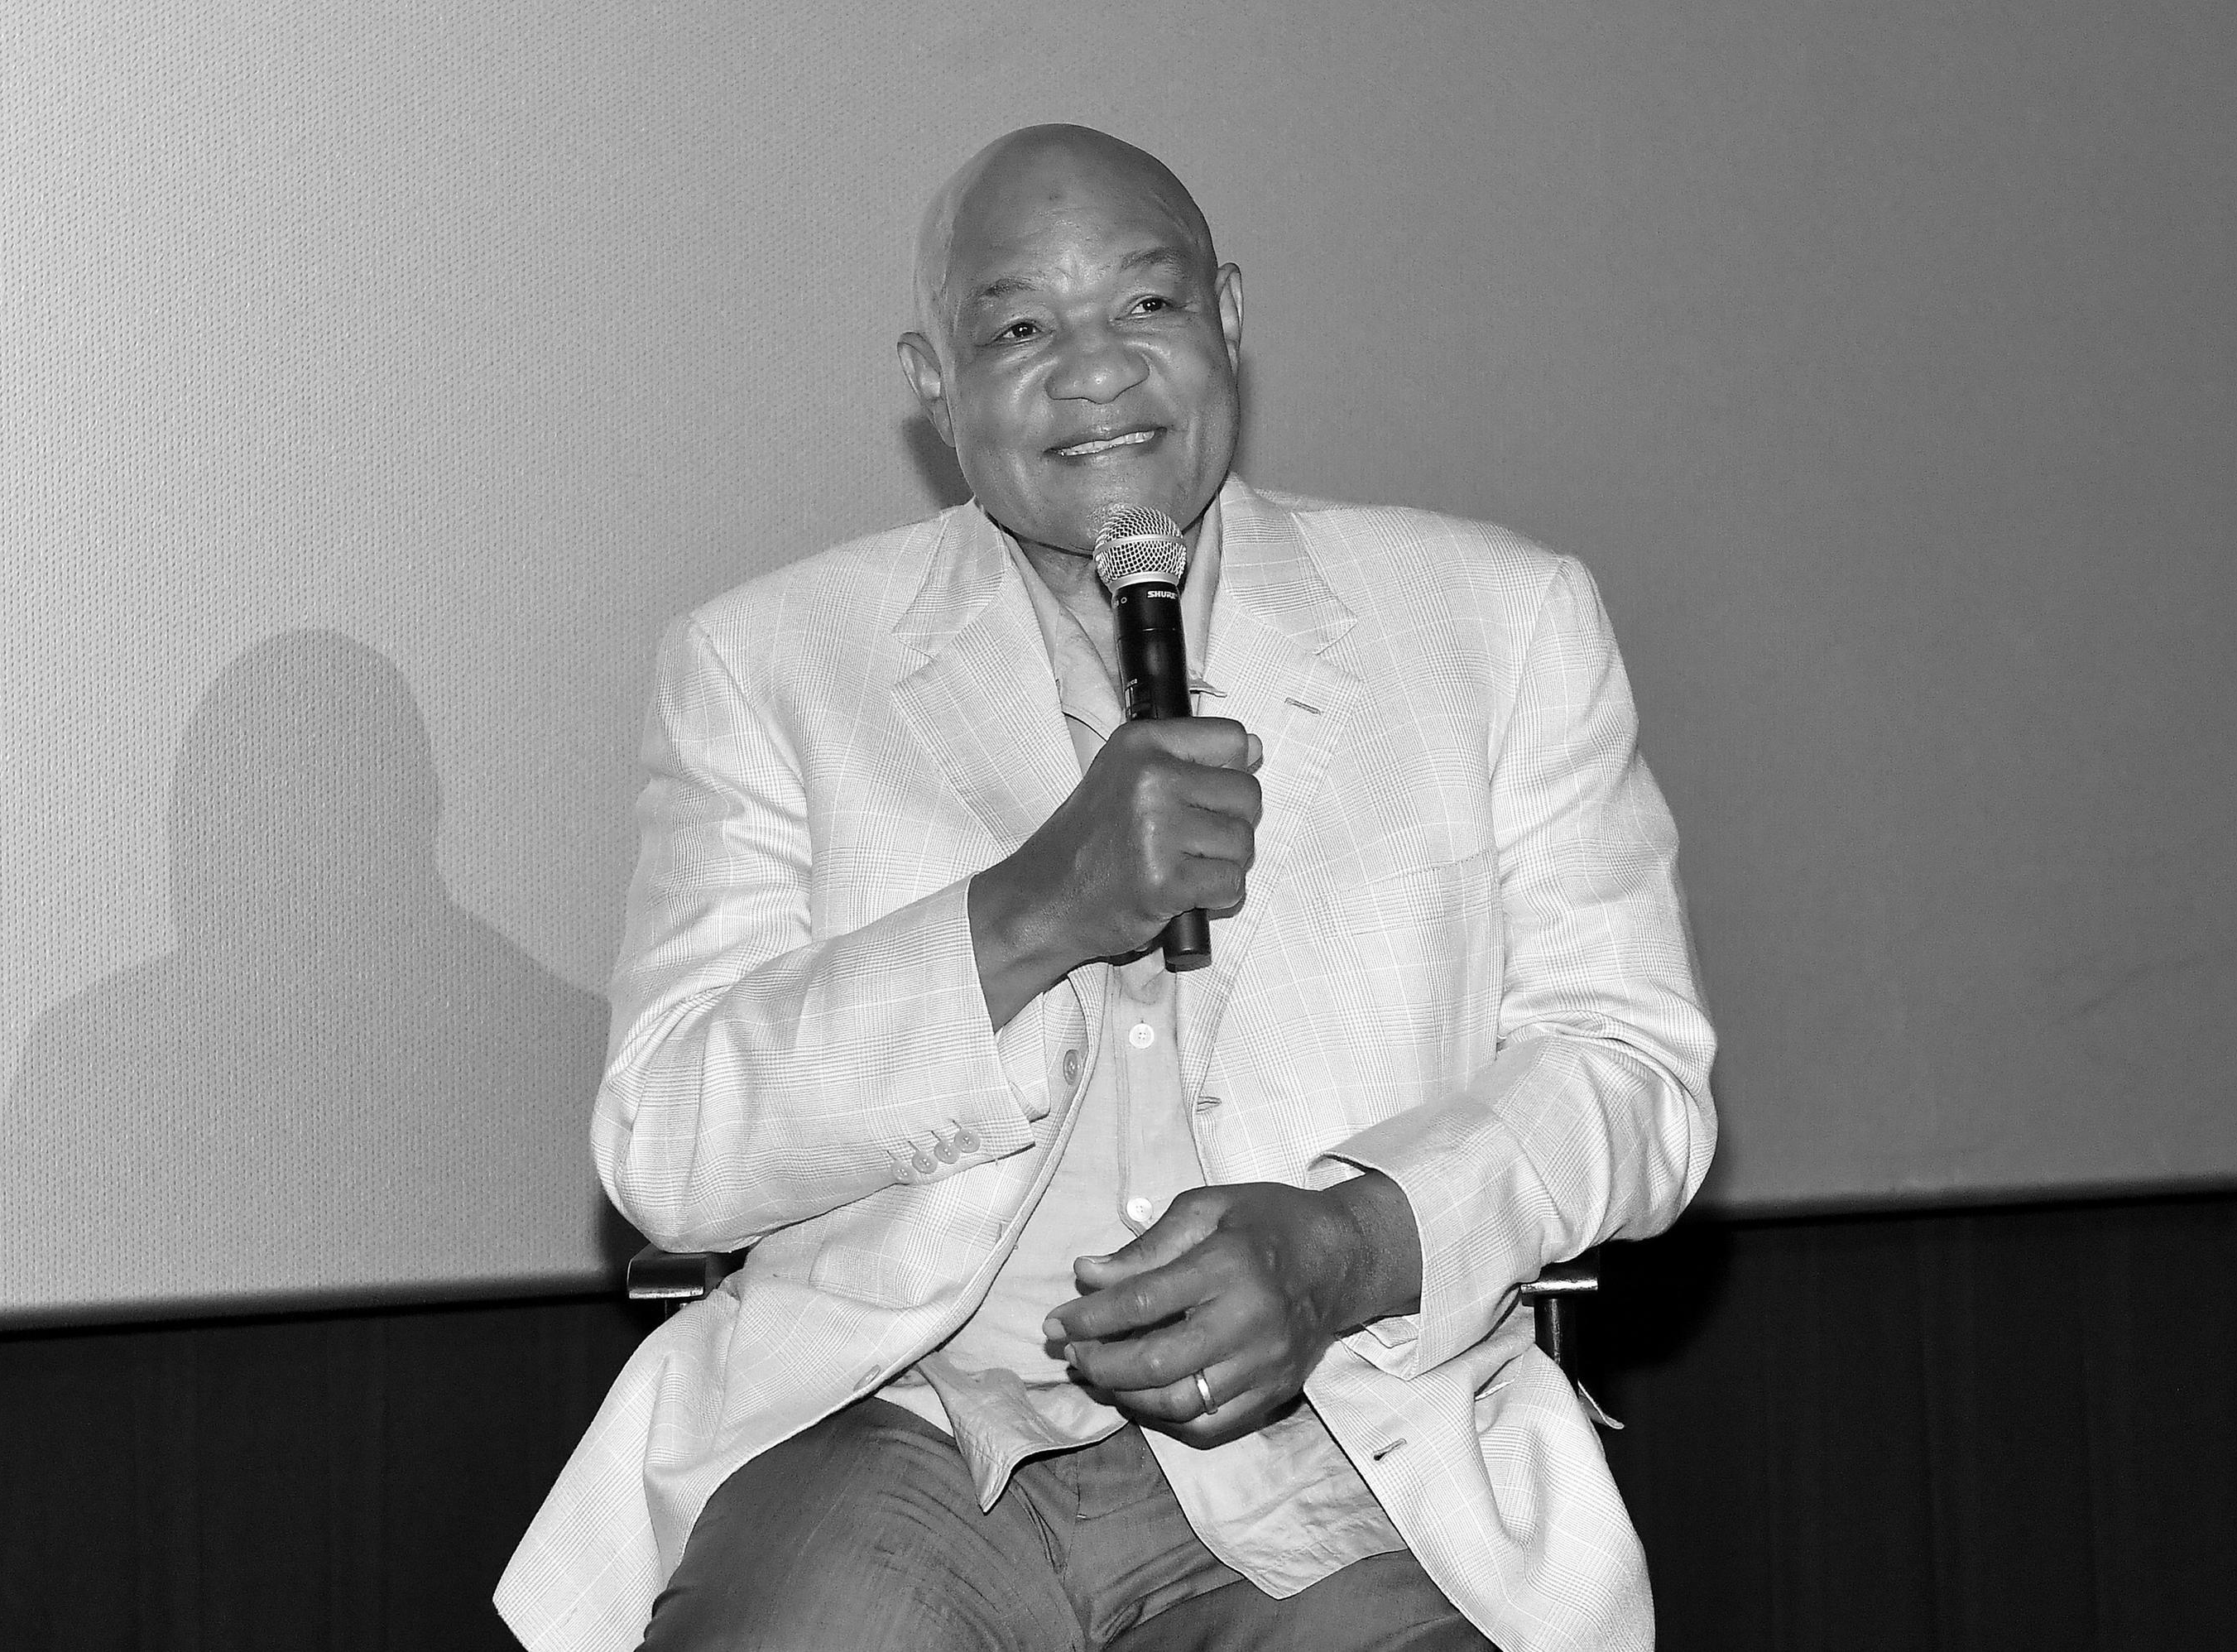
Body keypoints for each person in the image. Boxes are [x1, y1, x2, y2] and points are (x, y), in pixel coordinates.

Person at [498, 125, 1714, 1652]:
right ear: (934, 384)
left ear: (1229, 319)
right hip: (906, 1430)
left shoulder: (1495, 623)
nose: (1094, 370)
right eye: (1019, 328)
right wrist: (1034, 910)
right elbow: (669, 1150)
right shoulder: (769, 665)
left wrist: (1347, 1247)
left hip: (1353, 1438)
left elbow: (1631, 1071)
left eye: (1147, 303)